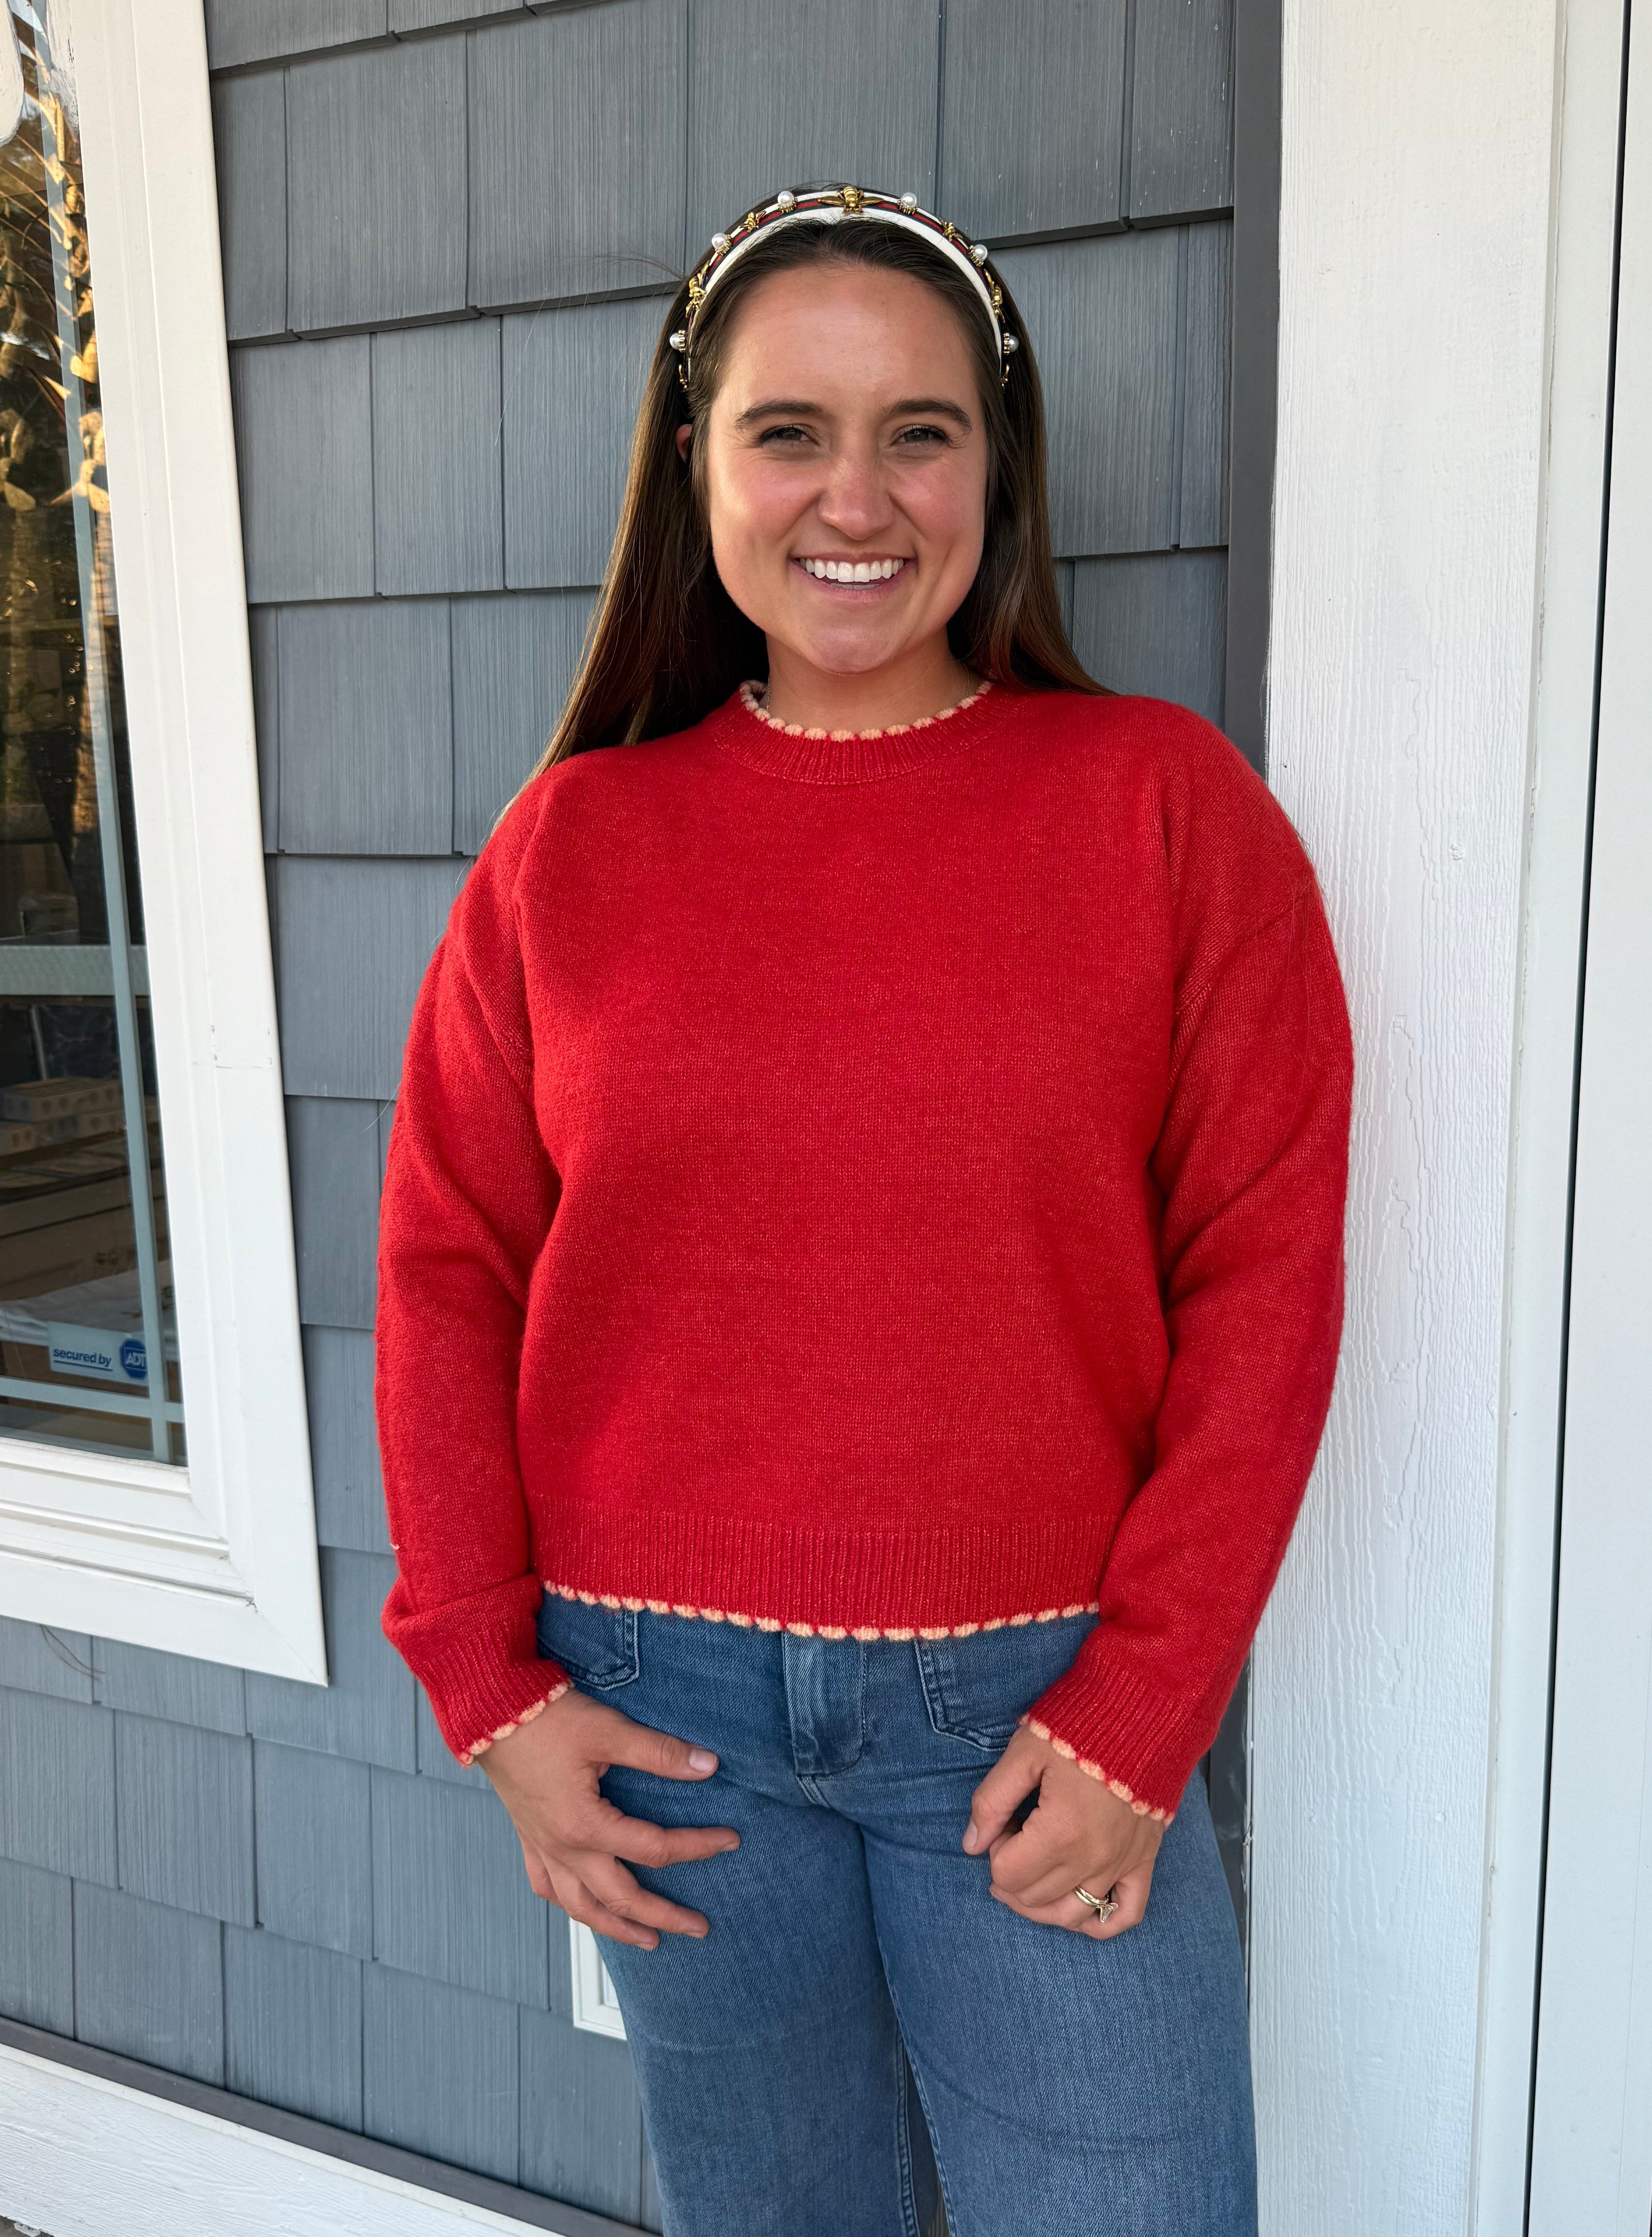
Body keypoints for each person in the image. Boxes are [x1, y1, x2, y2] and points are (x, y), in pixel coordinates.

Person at [374, 182, 1353, 2237]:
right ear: (695, 470)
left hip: (1033, 1721)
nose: (858, 496)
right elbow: (448, 1269)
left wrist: (1145, 1701)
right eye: (785, 431)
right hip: (665, 1728)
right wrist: (490, 1683)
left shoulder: (1163, 811)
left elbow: (1261, 1268)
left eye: (921, 429)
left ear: (999, 467)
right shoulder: (574, 847)